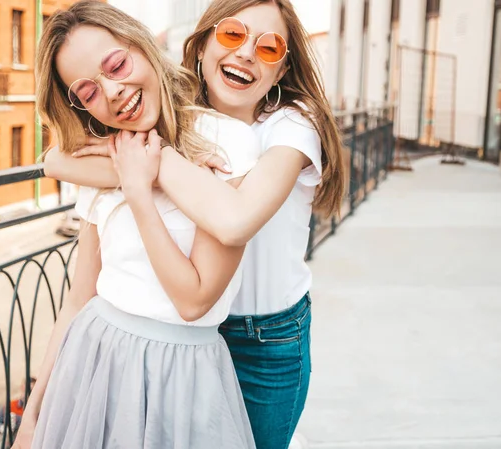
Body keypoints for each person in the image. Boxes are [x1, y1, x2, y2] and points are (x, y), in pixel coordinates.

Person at [44, 0, 346, 447]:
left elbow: (235, 221)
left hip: (267, 339)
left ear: (281, 71)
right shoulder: (179, 119)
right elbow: (56, 158)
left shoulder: (293, 125)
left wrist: (154, 163)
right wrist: (143, 162)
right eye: (231, 35)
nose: (246, 53)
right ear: (201, 46)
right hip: (203, 338)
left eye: (268, 48)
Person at [12, 2, 260, 448]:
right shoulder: (105, 155)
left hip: (182, 377)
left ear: (142, 46)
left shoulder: (227, 141)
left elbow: (195, 302)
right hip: (92, 364)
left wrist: (143, 187)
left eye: (117, 65)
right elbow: (77, 301)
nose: (112, 92)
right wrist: (33, 414)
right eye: (87, 92)